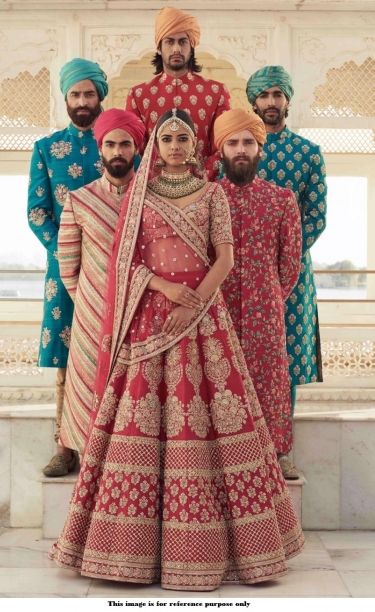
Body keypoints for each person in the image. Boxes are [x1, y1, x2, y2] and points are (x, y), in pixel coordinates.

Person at [49, 108, 305, 590]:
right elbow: (127, 263)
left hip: (206, 321)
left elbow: (224, 258)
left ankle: (226, 549)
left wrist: (197, 303)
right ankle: (128, 553)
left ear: (194, 146)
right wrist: (166, 292)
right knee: (142, 422)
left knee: (214, 423)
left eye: (182, 138)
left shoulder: (212, 194)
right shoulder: (139, 197)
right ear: (156, 146)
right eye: (166, 138)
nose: (173, 145)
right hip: (152, 319)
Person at [28, 58, 108, 477]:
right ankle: (65, 447)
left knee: (110, 353)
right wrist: (67, 254)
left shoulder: (117, 143)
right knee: (65, 355)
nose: (82, 101)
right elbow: (38, 212)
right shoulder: (46, 148)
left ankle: (109, 446)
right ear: (65, 99)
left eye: (89, 94)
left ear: (100, 97)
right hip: (63, 272)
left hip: (113, 268)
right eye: (75, 94)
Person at [246, 66, 327, 479]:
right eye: (264, 95)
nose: (271, 102)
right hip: (241, 275)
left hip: (292, 277)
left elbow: (316, 215)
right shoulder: (238, 149)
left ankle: (281, 451)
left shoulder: (309, 152)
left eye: (278, 94)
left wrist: (283, 259)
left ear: (288, 100)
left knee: (287, 361)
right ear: (253, 101)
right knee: (241, 357)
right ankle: (244, 449)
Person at [215, 109, 302, 467]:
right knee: (219, 384)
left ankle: (275, 455)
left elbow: (290, 264)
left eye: (248, 142)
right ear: (221, 149)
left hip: (265, 312)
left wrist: (267, 299)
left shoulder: (281, 200)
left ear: (260, 148)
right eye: (232, 142)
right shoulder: (207, 198)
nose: (240, 149)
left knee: (269, 382)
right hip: (215, 310)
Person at [57, 109, 146, 455]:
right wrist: (92, 303)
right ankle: (87, 459)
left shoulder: (152, 198)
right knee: (86, 386)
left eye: (125, 144)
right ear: (100, 149)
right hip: (93, 314)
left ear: (136, 148)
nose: (118, 151)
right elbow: (68, 264)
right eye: (111, 144)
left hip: (143, 314)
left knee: (136, 391)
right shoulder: (79, 200)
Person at [125, 6, 230, 180]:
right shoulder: (138, 95)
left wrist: (203, 180)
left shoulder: (216, 92)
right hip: (153, 190)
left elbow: (221, 145)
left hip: (202, 188)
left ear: (192, 46)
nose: (176, 49)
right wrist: (153, 182)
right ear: (159, 47)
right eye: (169, 41)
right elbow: (135, 147)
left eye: (182, 42)